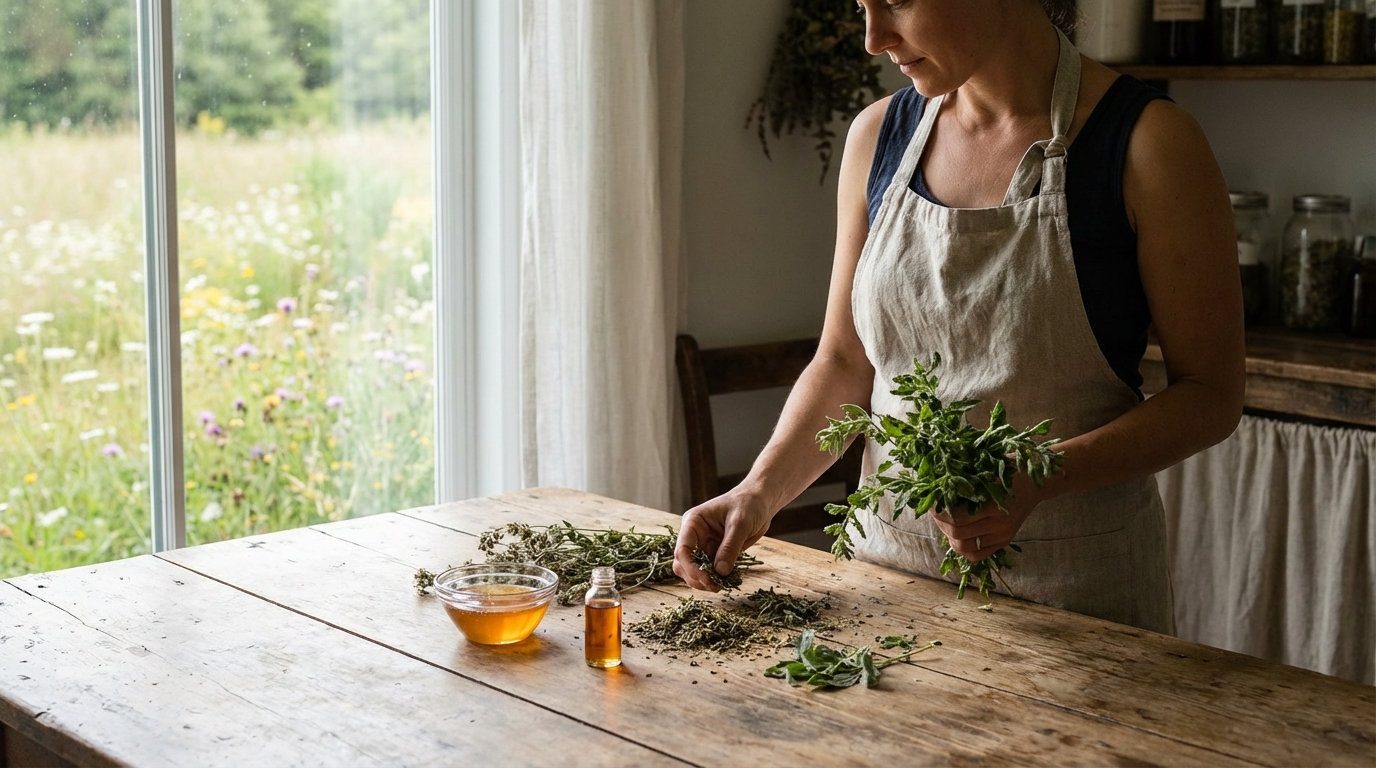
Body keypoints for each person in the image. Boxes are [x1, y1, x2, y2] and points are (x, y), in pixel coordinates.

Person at [671, 0, 1244, 633]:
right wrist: (759, 492)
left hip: (1076, 603)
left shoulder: (1149, 144)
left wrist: (1037, 477)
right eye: (861, 6)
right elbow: (844, 362)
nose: (873, 38)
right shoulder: (877, 137)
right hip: (885, 589)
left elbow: (1210, 395)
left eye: (896, 2)